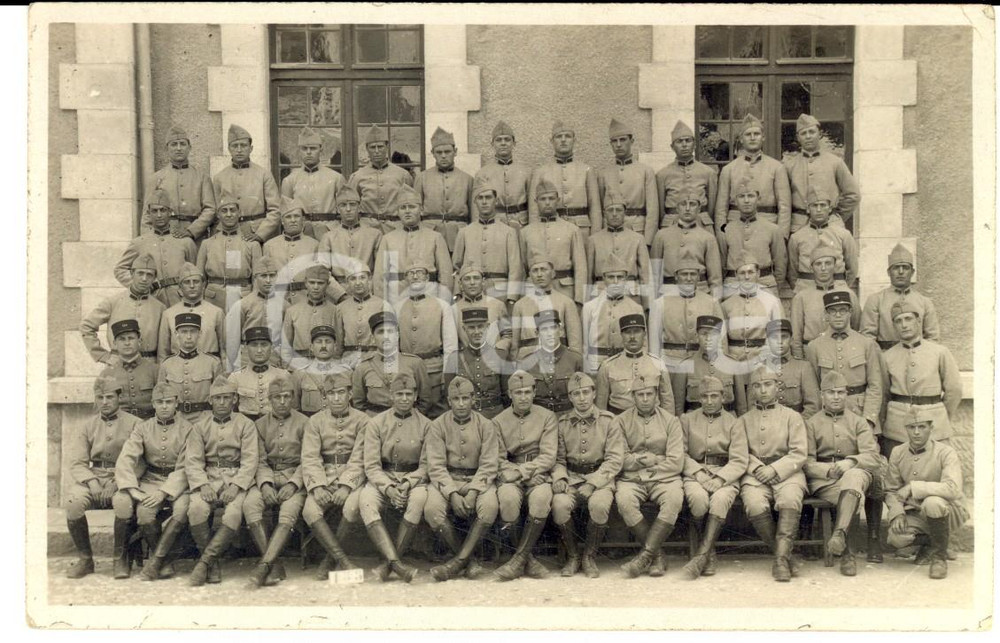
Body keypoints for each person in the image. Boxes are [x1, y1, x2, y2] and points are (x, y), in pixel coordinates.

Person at [62, 377, 142, 579]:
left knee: (124, 503)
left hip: (123, 478)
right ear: (95, 400)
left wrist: (118, 483)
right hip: (94, 477)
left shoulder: (135, 424)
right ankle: (86, 559)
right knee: (73, 502)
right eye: (100, 397)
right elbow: (77, 462)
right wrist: (92, 482)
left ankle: (120, 560)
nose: (105, 402)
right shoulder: (87, 426)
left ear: (118, 398)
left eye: (109, 397)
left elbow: (140, 462)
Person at [804, 371, 881, 577]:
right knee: (853, 494)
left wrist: (851, 462)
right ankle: (848, 554)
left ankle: (842, 540)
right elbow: (806, 462)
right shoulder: (811, 423)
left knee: (853, 480)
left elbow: (873, 456)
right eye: (831, 393)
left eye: (840, 392)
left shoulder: (858, 422)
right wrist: (827, 469)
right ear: (822, 395)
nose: (836, 397)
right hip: (826, 481)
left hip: (855, 474)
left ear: (847, 394)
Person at [184, 375, 259, 586]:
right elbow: (193, 461)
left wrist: (236, 486)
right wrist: (203, 485)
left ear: (235, 399)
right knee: (196, 508)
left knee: (234, 512)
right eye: (218, 398)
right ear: (210, 400)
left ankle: (204, 563)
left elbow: (250, 460)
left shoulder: (245, 424)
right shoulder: (199, 426)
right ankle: (213, 563)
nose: (223, 402)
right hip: (209, 478)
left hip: (237, 479)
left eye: (227, 398)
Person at [424, 377, 500, 582]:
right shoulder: (438, 425)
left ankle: (457, 563)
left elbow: (489, 464)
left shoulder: (486, 425)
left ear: (473, 399)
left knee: (490, 506)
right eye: (456, 399)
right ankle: (468, 559)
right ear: (449, 401)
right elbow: (436, 466)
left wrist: (475, 490)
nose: (460, 404)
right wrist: (452, 493)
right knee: (432, 509)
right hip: (448, 479)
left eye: (465, 398)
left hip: (478, 479)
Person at [739, 366, 808, 582]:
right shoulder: (743, 420)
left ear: (777, 387)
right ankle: (784, 557)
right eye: (757, 386)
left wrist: (776, 469)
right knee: (754, 503)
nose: (763, 390)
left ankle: (779, 560)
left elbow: (799, 452)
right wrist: (757, 468)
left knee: (790, 498)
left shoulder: (792, 417)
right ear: (751, 391)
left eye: (768, 384)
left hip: (787, 472)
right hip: (755, 473)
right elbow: (739, 452)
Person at [550, 372, 623, 578]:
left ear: (593, 393)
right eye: (576, 394)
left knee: (599, 506)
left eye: (585, 392)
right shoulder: (562, 423)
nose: (581, 398)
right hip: (572, 477)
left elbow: (614, 459)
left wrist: (593, 483)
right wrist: (561, 478)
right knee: (559, 505)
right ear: (570, 397)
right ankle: (573, 556)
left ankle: (589, 556)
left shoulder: (609, 421)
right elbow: (558, 459)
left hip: (600, 478)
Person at [360, 372, 431, 582]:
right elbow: (371, 466)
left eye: (409, 393)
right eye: (399, 394)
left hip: (414, 478)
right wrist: (388, 488)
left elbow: (427, 464)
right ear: (391, 395)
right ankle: (397, 565)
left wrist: (408, 483)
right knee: (366, 501)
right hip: (383, 477)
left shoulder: (426, 425)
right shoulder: (376, 423)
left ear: (416, 396)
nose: (404, 398)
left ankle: (389, 563)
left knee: (419, 499)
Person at [615, 375, 686, 578]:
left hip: (664, 478)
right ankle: (657, 556)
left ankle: (645, 556)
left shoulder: (671, 421)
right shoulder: (620, 421)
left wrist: (649, 463)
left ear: (656, 395)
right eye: (640, 394)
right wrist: (649, 459)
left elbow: (675, 461)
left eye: (649, 394)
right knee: (624, 500)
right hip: (631, 478)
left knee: (673, 499)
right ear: (633, 397)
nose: (645, 398)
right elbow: (620, 458)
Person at [300, 372, 369, 580]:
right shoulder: (315, 421)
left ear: (350, 394)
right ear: (325, 397)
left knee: (351, 507)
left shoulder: (363, 420)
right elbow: (310, 457)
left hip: (353, 479)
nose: (336, 398)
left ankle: (330, 560)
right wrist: (318, 486)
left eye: (341, 393)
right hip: (324, 477)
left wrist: (347, 485)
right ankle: (343, 560)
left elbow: (360, 457)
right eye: (331, 394)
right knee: (310, 510)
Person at [491, 370, 558, 582]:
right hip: (510, 473)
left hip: (539, 473)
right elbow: (498, 458)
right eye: (518, 392)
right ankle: (526, 559)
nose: (523, 397)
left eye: (527, 392)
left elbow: (548, 456)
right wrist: (520, 475)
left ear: (534, 392)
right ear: (510, 394)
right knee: (508, 499)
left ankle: (518, 559)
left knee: (540, 499)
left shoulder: (547, 416)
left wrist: (522, 474)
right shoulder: (498, 421)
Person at [122, 382, 193, 582]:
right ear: (153, 404)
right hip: (150, 480)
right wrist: (132, 489)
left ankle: (155, 562)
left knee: (181, 511)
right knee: (144, 514)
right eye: (160, 402)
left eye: (168, 402)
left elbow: (188, 465)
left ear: (176, 403)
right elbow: (127, 457)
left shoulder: (188, 429)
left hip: (180, 483)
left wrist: (164, 492)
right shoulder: (142, 428)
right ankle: (164, 563)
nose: (164, 406)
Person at [681, 376, 749, 579]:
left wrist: (719, 479)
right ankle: (708, 552)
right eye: (705, 396)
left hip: (725, 474)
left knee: (720, 500)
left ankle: (702, 555)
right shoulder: (687, 420)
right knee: (699, 500)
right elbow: (680, 454)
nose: (709, 401)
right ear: (699, 398)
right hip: (695, 473)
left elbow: (739, 459)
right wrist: (698, 474)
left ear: (723, 396)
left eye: (714, 396)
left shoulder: (734, 422)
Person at [885, 408, 966, 580]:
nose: (916, 432)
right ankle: (936, 544)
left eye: (921, 427)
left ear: (931, 428)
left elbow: (952, 488)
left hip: (947, 510)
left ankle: (939, 558)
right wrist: (897, 513)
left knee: (933, 502)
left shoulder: (945, 452)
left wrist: (913, 487)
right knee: (896, 538)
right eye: (911, 427)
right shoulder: (898, 452)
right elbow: (891, 490)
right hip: (916, 513)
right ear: (905, 429)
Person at [244, 377, 309, 588]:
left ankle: (263, 566)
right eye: (277, 397)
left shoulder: (305, 423)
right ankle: (274, 563)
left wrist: (293, 484)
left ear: (293, 398)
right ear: (269, 400)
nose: (282, 401)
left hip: (295, 478)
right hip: (268, 475)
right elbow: (259, 460)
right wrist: (264, 484)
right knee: (250, 504)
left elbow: (308, 460)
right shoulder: (259, 425)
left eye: (286, 397)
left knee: (289, 510)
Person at [882, 300, 962, 455]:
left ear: (918, 321)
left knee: (935, 471)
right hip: (898, 429)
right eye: (898, 321)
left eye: (908, 319)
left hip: (934, 426)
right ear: (894, 326)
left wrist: (940, 414)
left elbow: (954, 390)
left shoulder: (939, 352)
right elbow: (884, 394)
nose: (904, 325)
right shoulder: (887, 357)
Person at [805, 291, 884, 442]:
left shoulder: (866, 344)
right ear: (826, 315)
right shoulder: (814, 346)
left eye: (843, 310)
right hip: (828, 416)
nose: (838, 315)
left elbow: (875, 386)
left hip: (860, 413)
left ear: (850, 313)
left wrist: (868, 419)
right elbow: (814, 388)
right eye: (833, 311)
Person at [396, 260, 459, 419]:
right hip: (407, 370)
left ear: (427, 278)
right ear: (406, 278)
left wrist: (448, 376)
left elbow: (451, 345)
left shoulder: (442, 305)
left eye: (420, 273)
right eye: (411, 273)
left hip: (434, 370)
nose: (415, 276)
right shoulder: (397, 307)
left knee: (437, 414)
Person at [117, 188, 198, 307]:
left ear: (170, 212)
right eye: (154, 211)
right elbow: (120, 269)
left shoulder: (185, 242)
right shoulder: (139, 242)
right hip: (152, 299)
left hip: (180, 300)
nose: (159, 215)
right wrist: (139, 286)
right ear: (149, 214)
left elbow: (195, 271)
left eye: (163, 210)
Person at [715, 114, 791, 240]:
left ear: (763, 138)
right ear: (741, 139)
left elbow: (784, 207)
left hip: (768, 227)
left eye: (756, 134)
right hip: (736, 229)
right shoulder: (729, 169)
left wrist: (781, 237)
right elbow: (721, 209)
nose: (752, 138)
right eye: (748, 134)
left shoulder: (777, 168)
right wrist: (722, 235)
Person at [371, 185, 453, 302]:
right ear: (397, 212)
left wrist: (443, 302)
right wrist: (383, 305)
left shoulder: (435, 237)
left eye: (412, 207)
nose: (407, 211)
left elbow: (445, 275)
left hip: (429, 295)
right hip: (397, 296)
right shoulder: (388, 239)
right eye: (403, 208)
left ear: (421, 210)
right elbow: (380, 276)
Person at [80, 253, 165, 365]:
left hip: (149, 365)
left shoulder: (160, 307)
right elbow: (86, 326)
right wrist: (102, 355)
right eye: (140, 273)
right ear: (131, 274)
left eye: (149, 275)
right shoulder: (113, 302)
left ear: (154, 278)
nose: (144, 279)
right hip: (118, 363)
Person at [783, 113, 860, 233]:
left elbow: (853, 195)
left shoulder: (835, 162)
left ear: (819, 134)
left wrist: (834, 216)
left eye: (812, 132)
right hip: (799, 227)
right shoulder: (789, 165)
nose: (808, 136)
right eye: (803, 133)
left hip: (830, 226)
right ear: (798, 138)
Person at [452, 179, 524, 306]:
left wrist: (512, 297)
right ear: (475, 202)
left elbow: (515, 268)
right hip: (471, 293)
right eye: (480, 198)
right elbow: (457, 267)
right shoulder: (464, 232)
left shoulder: (508, 232)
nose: (484, 202)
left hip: (500, 293)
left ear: (496, 201)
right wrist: (457, 293)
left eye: (488, 197)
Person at [529, 121, 602, 242]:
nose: (563, 140)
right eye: (558, 136)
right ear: (552, 141)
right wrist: (535, 236)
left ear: (574, 140)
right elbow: (534, 210)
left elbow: (595, 207)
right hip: (551, 230)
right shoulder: (541, 172)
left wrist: (595, 238)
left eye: (567, 136)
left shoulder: (586, 170)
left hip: (582, 230)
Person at [519, 180, 589, 305]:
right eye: (543, 199)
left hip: (565, 290)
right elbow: (523, 267)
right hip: (535, 291)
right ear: (536, 201)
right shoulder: (526, 232)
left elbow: (580, 267)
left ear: (558, 200)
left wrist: (579, 299)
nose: (547, 203)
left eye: (551, 198)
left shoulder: (571, 229)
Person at [141, 125, 216, 241]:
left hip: (195, 238)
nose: (178, 148)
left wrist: (191, 231)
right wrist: (148, 241)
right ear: (167, 149)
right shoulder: (157, 178)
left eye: (182, 144)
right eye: (174, 144)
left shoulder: (202, 177)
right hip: (165, 236)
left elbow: (210, 209)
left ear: (189, 147)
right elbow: (147, 214)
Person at [352, 311, 435, 417]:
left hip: (408, 420)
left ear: (397, 336)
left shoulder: (415, 363)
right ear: (373, 338)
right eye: (381, 332)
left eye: (390, 331)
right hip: (375, 422)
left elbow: (425, 400)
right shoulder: (363, 367)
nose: (386, 336)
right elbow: (358, 404)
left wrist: (412, 419)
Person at [861, 243, 941, 350]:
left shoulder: (924, 302)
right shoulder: (875, 300)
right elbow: (867, 338)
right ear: (889, 272)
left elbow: (932, 337)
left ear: (912, 272)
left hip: (917, 357)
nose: (901, 272)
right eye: (896, 268)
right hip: (885, 358)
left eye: (905, 267)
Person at [648, 259, 726, 368]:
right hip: (671, 365)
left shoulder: (711, 302)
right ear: (676, 276)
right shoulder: (660, 303)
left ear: (698, 276)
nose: (689, 278)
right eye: (684, 274)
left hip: (701, 365)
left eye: (693, 274)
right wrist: (656, 368)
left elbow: (721, 339)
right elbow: (654, 343)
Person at [212, 124, 281, 244]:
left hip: (256, 233)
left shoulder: (263, 175)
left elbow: (275, 210)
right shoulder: (219, 178)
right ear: (229, 149)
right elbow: (215, 212)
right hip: (229, 235)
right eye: (235, 146)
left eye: (243, 146)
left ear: (251, 148)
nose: (239, 150)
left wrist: (260, 235)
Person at [718, 182, 787, 299]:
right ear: (735, 201)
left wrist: (773, 289)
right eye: (741, 196)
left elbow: (780, 264)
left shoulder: (772, 229)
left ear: (758, 199)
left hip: (765, 285)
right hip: (734, 287)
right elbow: (721, 265)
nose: (746, 201)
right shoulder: (726, 230)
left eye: (750, 196)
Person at [790, 245, 860, 359]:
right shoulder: (801, 297)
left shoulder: (848, 294)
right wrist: (799, 359)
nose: (823, 268)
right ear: (811, 268)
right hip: (811, 354)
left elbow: (855, 326)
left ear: (835, 266)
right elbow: (796, 335)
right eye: (818, 264)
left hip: (841, 352)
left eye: (828, 263)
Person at [649, 187, 723, 295]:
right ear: (677, 208)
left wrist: (714, 302)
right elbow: (654, 273)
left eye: (692, 204)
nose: (687, 208)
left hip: (700, 292)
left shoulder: (708, 238)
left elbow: (715, 278)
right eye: (683, 204)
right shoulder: (662, 235)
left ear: (699, 209)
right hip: (669, 293)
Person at [596, 314, 674, 415]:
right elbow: (600, 405)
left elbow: (667, 401)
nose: (632, 337)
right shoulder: (608, 366)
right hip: (619, 422)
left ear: (644, 334)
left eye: (637, 332)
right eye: (627, 332)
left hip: (651, 421)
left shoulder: (658, 364)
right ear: (621, 335)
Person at [597, 118, 658, 246]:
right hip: (610, 233)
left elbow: (652, 210)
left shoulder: (645, 171)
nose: (618, 144)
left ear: (632, 141)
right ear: (611, 144)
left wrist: (647, 241)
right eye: (614, 141)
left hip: (637, 230)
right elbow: (601, 210)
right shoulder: (604, 173)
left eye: (623, 140)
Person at [581, 253, 645, 374]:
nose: (615, 281)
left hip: (626, 364)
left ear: (626, 278)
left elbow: (643, 343)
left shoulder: (636, 308)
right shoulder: (590, 307)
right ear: (604, 278)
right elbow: (584, 344)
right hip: (596, 365)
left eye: (620, 277)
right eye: (611, 277)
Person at [786, 187, 858, 294]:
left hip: (836, 288)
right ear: (808, 209)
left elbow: (852, 268)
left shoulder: (843, 234)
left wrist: (841, 286)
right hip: (806, 288)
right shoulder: (797, 237)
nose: (819, 209)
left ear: (829, 209)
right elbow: (792, 272)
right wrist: (801, 290)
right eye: (815, 206)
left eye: (823, 205)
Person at [197, 190, 263, 307]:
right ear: (218, 214)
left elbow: (257, 279)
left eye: (232, 210)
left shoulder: (252, 244)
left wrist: (254, 304)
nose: (228, 214)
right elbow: (199, 278)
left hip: (242, 299)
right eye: (224, 210)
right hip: (213, 300)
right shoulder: (207, 244)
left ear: (239, 213)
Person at [510, 255, 583, 360]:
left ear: (553, 273)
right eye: (535, 271)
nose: (539, 274)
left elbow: (575, 342)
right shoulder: (520, 305)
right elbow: (515, 343)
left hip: (558, 360)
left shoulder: (566, 302)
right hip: (528, 360)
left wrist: (573, 363)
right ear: (530, 275)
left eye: (544, 270)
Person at [745, 319, 821, 419]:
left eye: (784, 337)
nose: (780, 342)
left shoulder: (803, 367)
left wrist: (796, 426)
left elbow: (813, 406)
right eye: (774, 337)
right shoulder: (758, 368)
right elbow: (752, 406)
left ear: (791, 339)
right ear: (767, 340)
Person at [414, 127, 475, 252]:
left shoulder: (467, 179)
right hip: (429, 233)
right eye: (439, 152)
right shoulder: (422, 178)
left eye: (447, 152)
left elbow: (473, 214)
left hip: (459, 235)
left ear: (455, 151)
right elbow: (415, 210)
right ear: (433, 153)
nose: (443, 156)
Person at [156, 313, 224, 425]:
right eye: (184, 332)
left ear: (200, 334)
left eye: (193, 331)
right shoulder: (167, 364)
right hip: (176, 420)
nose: (188, 336)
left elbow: (219, 396)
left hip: (205, 420)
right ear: (176, 334)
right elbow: (161, 396)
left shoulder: (213, 363)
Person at [263, 197, 331, 308]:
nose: (293, 220)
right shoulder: (269, 246)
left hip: (305, 301)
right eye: (288, 217)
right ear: (282, 221)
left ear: (303, 220)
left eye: (297, 216)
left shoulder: (314, 245)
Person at [586, 191, 651, 305]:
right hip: (601, 296)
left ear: (625, 212)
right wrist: (587, 303)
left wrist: (646, 306)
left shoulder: (637, 238)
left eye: (619, 210)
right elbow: (588, 278)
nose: (614, 214)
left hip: (631, 296)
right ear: (604, 213)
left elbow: (645, 276)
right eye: (610, 210)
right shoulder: (593, 240)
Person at [443, 308, 509, 419]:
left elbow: (507, 395)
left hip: (495, 416)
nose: (477, 332)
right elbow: (449, 395)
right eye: (471, 328)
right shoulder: (454, 358)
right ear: (464, 329)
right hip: (466, 417)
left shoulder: (501, 356)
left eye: (480, 326)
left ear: (487, 327)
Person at [280, 126, 345, 240]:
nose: (309, 152)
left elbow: (345, 209)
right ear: (299, 151)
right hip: (302, 234)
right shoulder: (290, 180)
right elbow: (286, 213)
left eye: (313, 148)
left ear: (321, 150)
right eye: (304, 149)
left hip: (330, 232)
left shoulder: (336, 178)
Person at [348, 124, 415, 233]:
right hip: (367, 230)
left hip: (395, 229)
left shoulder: (402, 175)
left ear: (387, 147)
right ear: (367, 149)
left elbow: (411, 202)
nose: (377, 151)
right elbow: (351, 204)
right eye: (372, 147)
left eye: (380, 146)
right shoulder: (357, 177)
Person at [673, 315, 745, 416]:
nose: (708, 338)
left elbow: (741, 407)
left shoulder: (733, 365)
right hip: (695, 424)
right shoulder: (685, 366)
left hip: (727, 423)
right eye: (704, 334)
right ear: (697, 336)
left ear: (720, 336)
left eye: (713, 334)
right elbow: (678, 408)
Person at [518, 310, 584, 417]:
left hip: (568, 419)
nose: (550, 333)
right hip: (538, 419)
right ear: (537, 333)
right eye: (544, 329)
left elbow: (585, 394)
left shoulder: (575, 359)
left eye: (553, 327)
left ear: (560, 330)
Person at [317, 187, 383, 294]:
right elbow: (323, 271)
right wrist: (340, 294)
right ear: (337, 209)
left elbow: (380, 269)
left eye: (352, 204)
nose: (348, 209)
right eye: (343, 205)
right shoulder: (328, 237)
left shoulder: (374, 234)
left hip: (367, 291)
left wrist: (369, 291)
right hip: (340, 291)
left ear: (359, 207)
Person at [721, 251, 783, 362]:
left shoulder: (772, 302)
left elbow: (779, 335)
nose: (747, 277)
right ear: (736, 275)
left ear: (758, 273)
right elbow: (723, 339)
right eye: (742, 273)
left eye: (751, 272)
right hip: (735, 359)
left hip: (762, 358)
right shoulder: (726, 304)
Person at [656, 120, 718, 230]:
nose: (684, 145)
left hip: (701, 224)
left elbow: (712, 206)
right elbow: (661, 209)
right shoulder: (662, 174)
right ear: (672, 147)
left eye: (688, 141)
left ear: (694, 144)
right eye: (679, 142)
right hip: (672, 224)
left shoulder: (708, 172)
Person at [157, 262, 225, 363]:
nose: (192, 286)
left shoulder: (216, 312)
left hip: (209, 368)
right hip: (178, 370)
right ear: (180, 287)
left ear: (203, 285)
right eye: (187, 282)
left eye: (196, 281)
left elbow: (225, 349)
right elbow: (163, 352)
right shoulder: (168, 314)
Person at [227, 256, 285, 370]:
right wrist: (235, 365)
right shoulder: (242, 305)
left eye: (272, 276)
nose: (268, 280)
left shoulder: (284, 305)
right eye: (263, 276)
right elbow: (232, 340)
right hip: (247, 360)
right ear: (255, 278)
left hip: (275, 360)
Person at [281, 264, 343, 370]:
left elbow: (338, 343)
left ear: (327, 284)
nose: (315, 287)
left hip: (325, 365)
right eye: (312, 282)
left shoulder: (334, 310)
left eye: (320, 283)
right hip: (298, 365)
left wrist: (334, 366)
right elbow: (286, 345)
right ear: (305, 283)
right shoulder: (292, 311)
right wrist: (287, 367)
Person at [473, 120, 533, 229]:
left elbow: (533, 205)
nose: (503, 143)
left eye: (507, 139)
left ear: (514, 143)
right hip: (495, 224)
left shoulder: (526, 172)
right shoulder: (483, 173)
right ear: (492, 144)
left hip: (521, 224)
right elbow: (477, 208)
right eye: (499, 140)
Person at [334, 262, 391, 369]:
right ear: (347, 283)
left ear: (369, 280)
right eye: (353, 279)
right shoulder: (341, 308)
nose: (358, 283)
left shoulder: (382, 305)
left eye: (362, 278)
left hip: (375, 360)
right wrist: (338, 363)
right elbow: (338, 340)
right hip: (348, 362)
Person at [227, 327, 291, 422]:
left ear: (272, 347)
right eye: (254, 345)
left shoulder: (283, 375)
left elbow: (291, 407)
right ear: (245, 347)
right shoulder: (235, 377)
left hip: (275, 426)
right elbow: (230, 410)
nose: (259, 350)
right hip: (246, 428)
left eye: (264, 345)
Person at [99, 319, 159, 420]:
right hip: (120, 426)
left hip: (148, 423)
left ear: (139, 341)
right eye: (122, 339)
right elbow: (104, 409)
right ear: (115, 343)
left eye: (131, 338)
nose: (127, 343)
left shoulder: (155, 370)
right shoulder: (107, 373)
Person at [451, 264, 513, 353]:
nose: (472, 282)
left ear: (483, 282)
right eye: (467, 279)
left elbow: (508, 334)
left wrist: (499, 349)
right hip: (466, 362)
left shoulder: (497, 305)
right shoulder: (453, 310)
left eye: (476, 278)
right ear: (460, 284)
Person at [293, 325, 350, 417]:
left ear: (335, 346)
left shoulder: (346, 372)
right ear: (311, 347)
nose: (323, 346)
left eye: (328, 342)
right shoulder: (300, 373)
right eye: (319, 342)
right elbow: (295, 408)